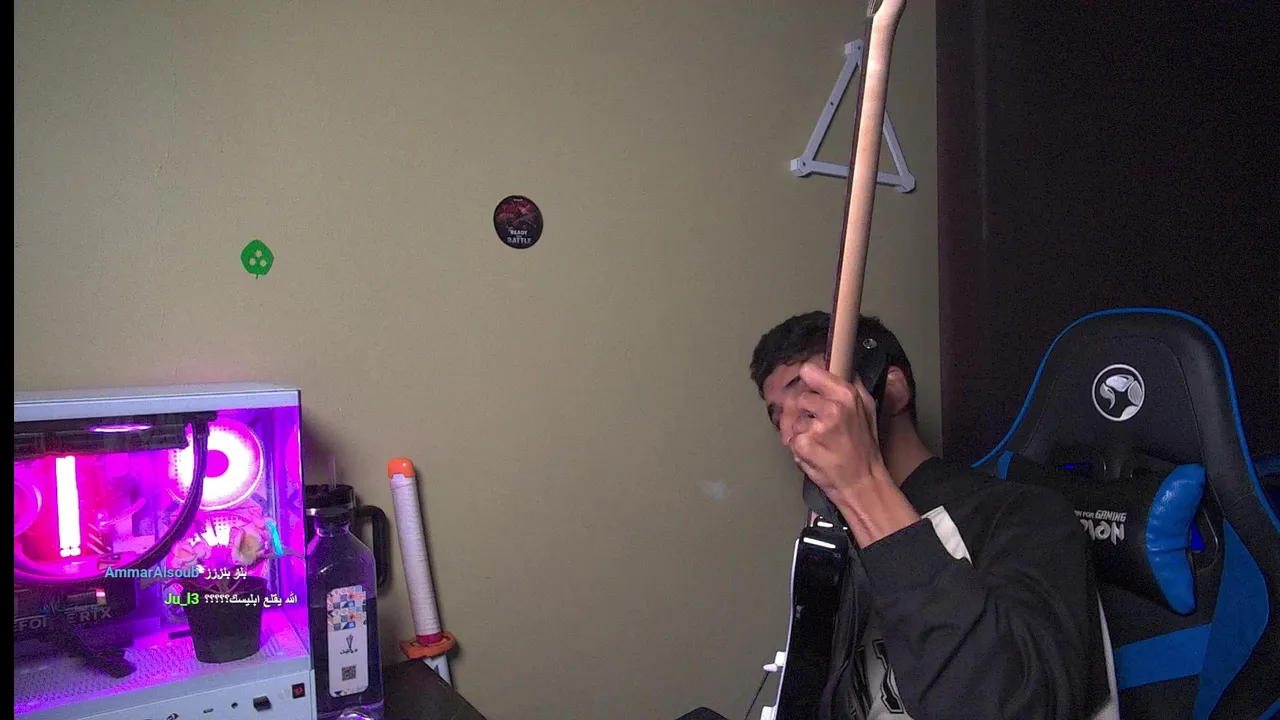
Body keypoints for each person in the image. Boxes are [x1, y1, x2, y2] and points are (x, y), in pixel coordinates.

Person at [749, 311, 1117, 720]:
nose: (789, 434)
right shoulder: (837, 548)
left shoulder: (1025, 515)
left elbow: (1011, 707)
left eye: (809, 399)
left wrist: (862, 487)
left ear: (891, 390)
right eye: (778, 417)